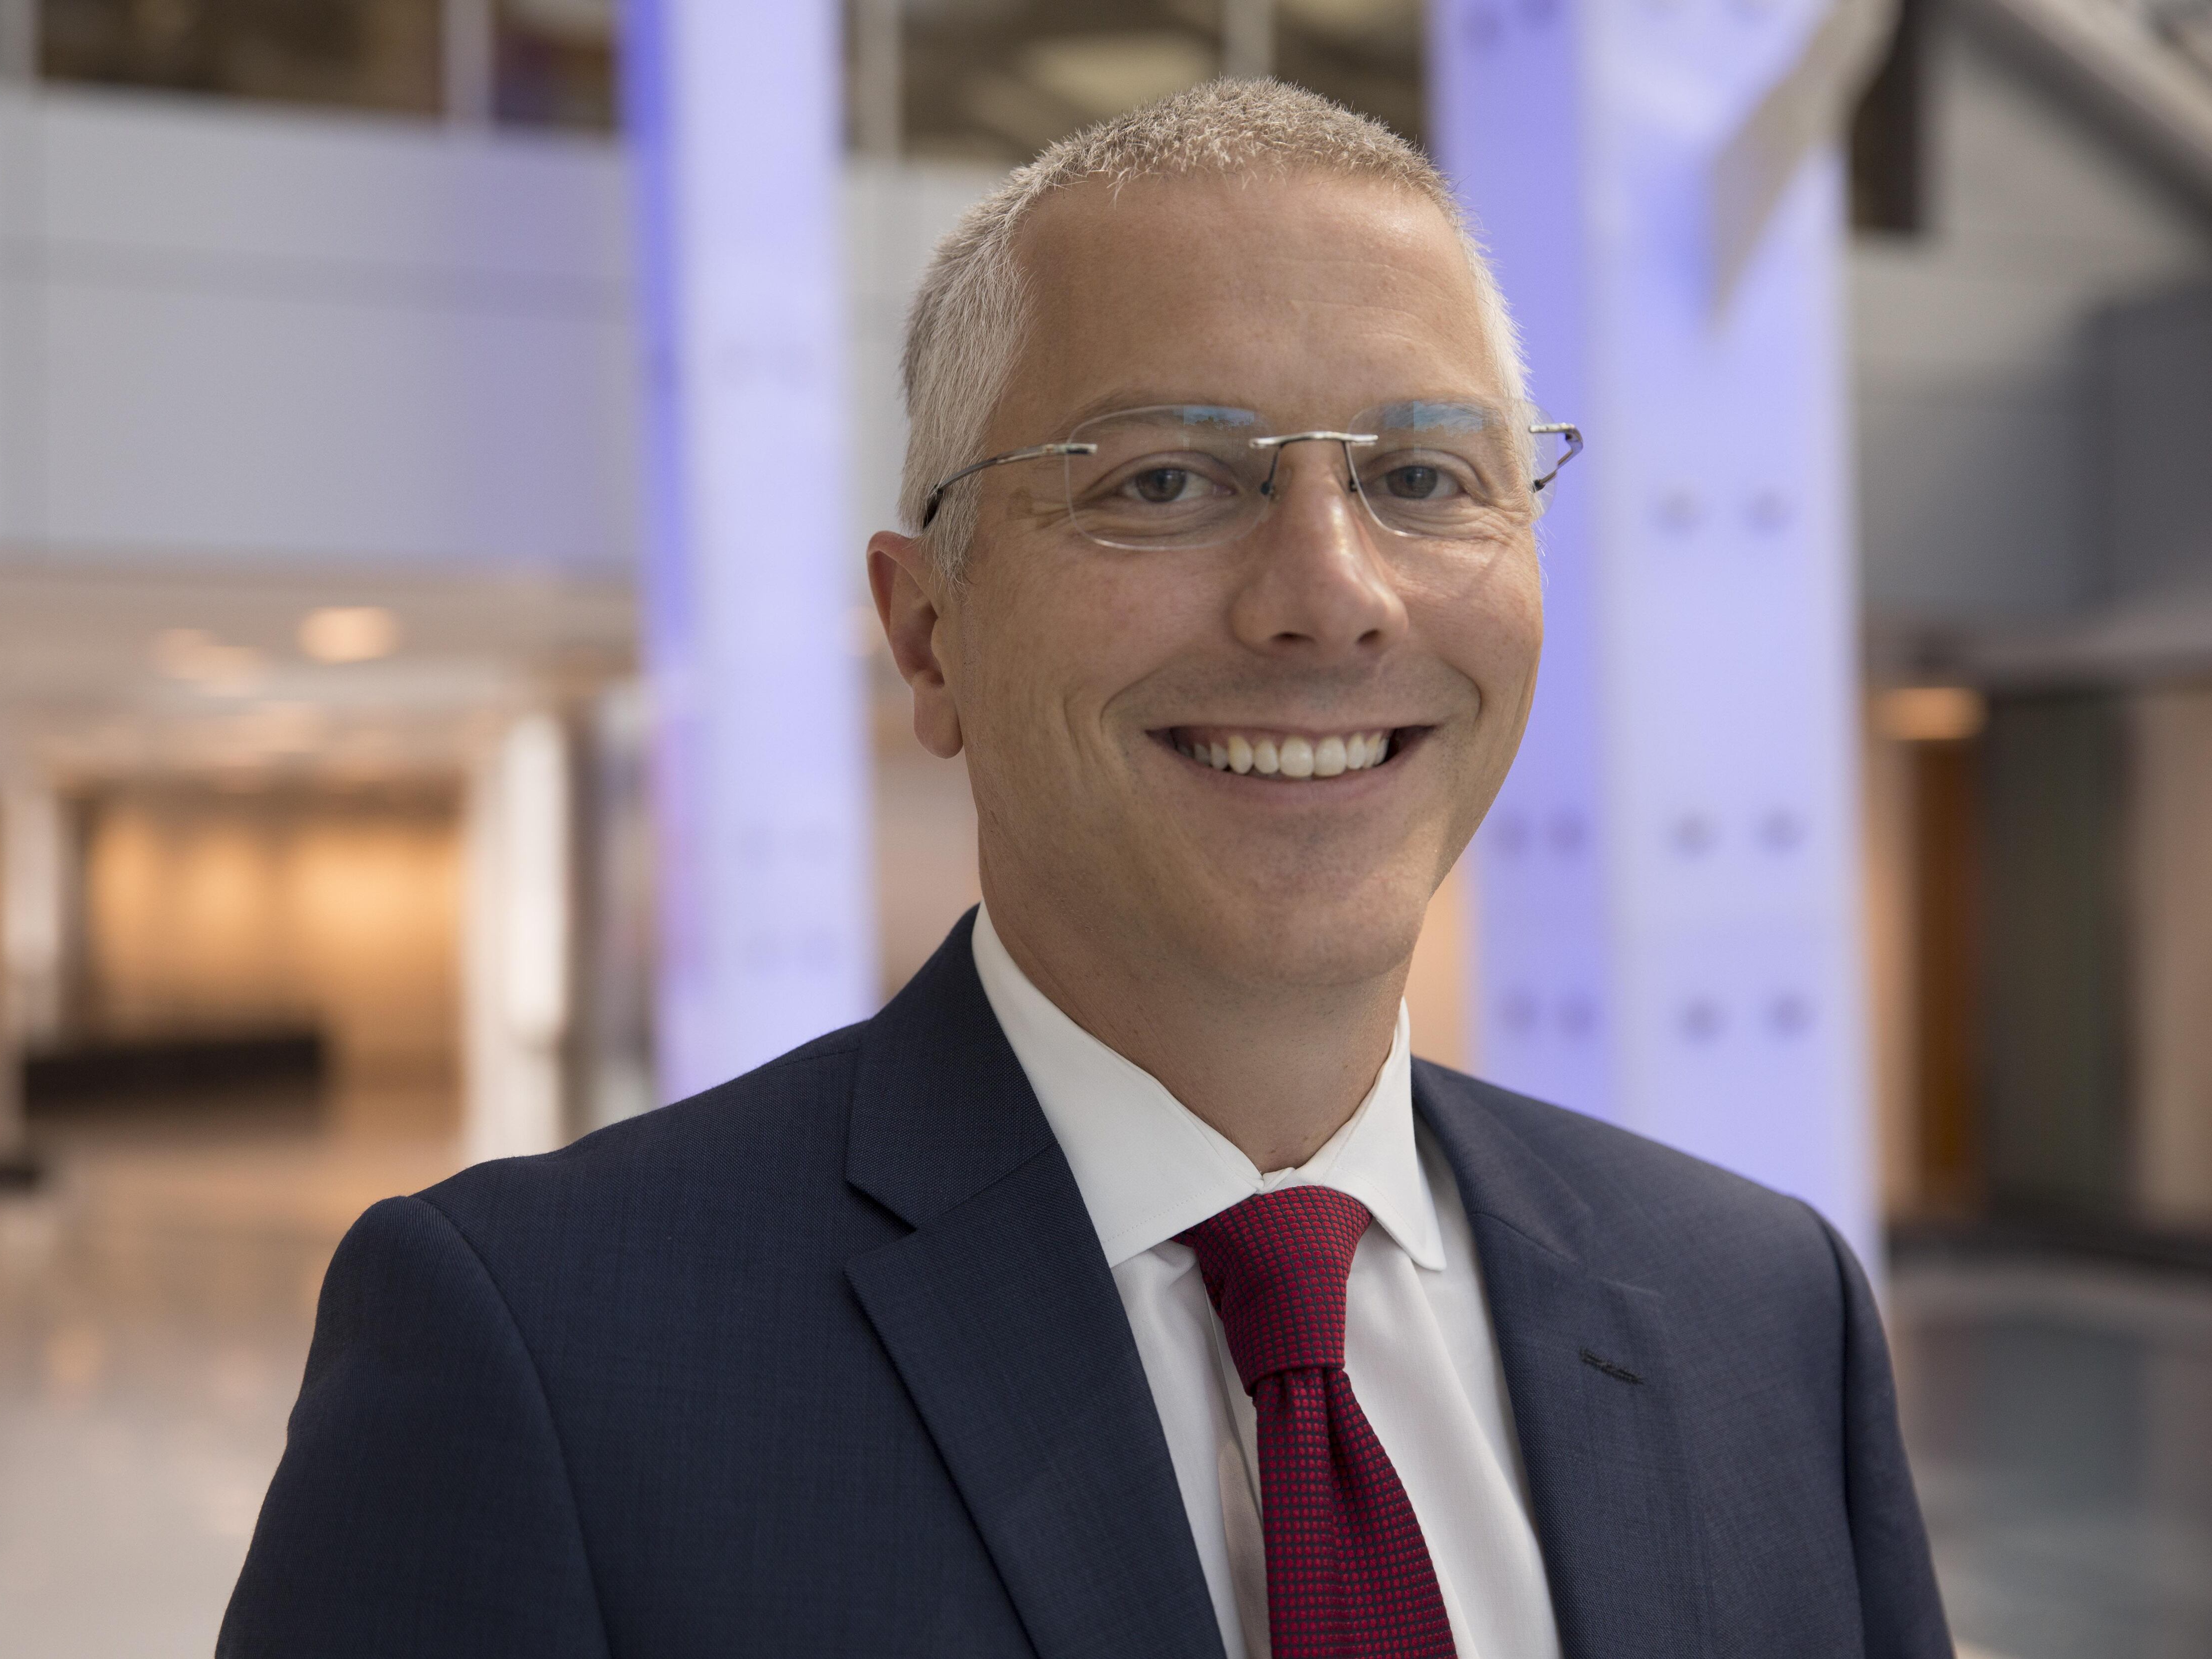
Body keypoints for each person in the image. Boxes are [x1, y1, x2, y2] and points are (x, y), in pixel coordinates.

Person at [220, 79, 1950, 1659]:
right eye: (1168, 479)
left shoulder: (1760, 1316)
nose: (1331, 593)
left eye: (1425, 475)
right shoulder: (544, 1358)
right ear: (930, 636)